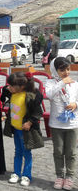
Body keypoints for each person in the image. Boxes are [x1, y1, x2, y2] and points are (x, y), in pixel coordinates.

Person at [2, 72, 44, 187]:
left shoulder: (29, 96)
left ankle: (26, 175)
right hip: (15, 129)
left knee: (27, 152)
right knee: (18, 152)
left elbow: (38, 112)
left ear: (22, 86)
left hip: (25, 131)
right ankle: (16, 173)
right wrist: (10, 85)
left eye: (11, 86)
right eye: (9, 85)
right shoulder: (12, 93)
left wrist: (29, 122)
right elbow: (5, 90)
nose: (9, 87)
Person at [46, 57, 78, 190]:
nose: (66, 72)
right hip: (57, 125)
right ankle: (59, 176)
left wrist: (75, 104)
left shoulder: (75, 84)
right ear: (55, 70)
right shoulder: (50, 82)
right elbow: (49, 95)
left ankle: (70, 177)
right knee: (58, 152)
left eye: (68, 69)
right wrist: (62, 83)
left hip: (72, 124)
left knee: (71, 152)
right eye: (62, 70)